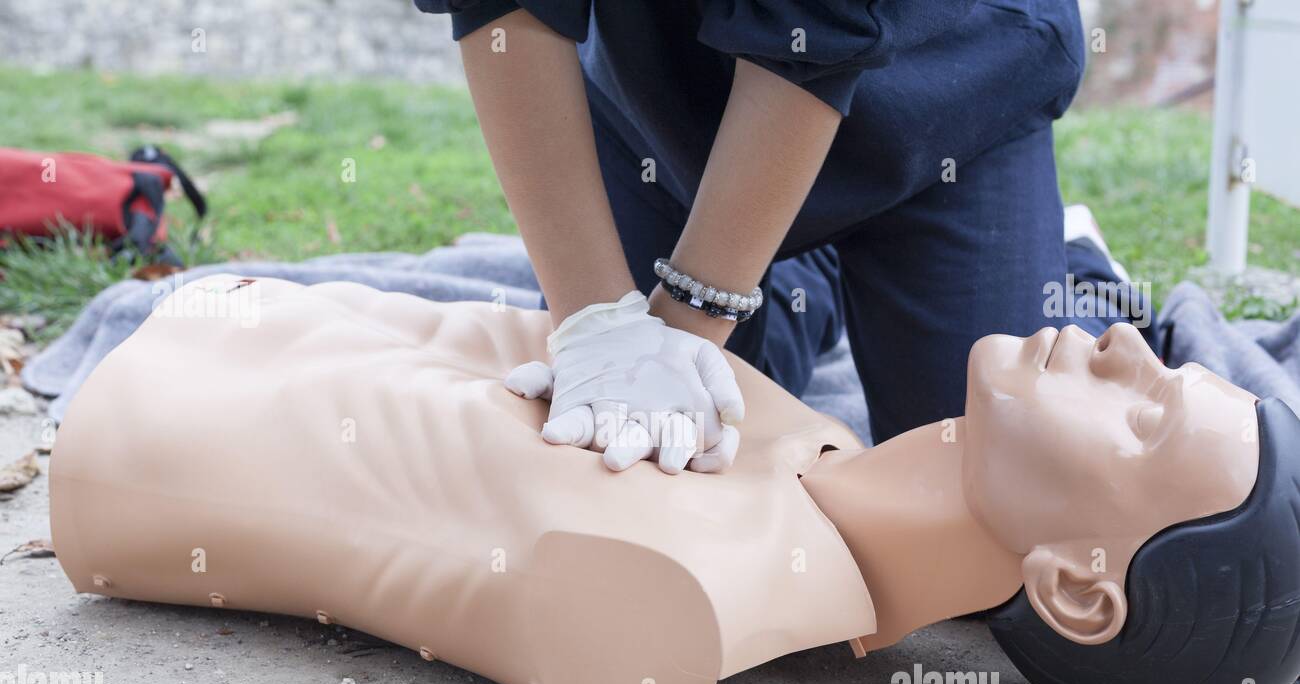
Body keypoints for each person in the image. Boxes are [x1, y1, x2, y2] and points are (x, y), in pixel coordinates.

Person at [49, 277, 1300, 684]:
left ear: (1078, 586)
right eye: (1158, 360)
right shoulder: (811, 444)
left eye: (1149, 416)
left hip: (132, 440)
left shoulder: (696, 603)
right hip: (245, 332)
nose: (1124, 350)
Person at [413, 0, 1133, 472]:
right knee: (676, 455)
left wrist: (687, 334)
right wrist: (596, 326)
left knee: (978, 486)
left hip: (943, 105)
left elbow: (811, 23)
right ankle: (795, 271)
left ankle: (1083, 271)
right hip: (666, 108)